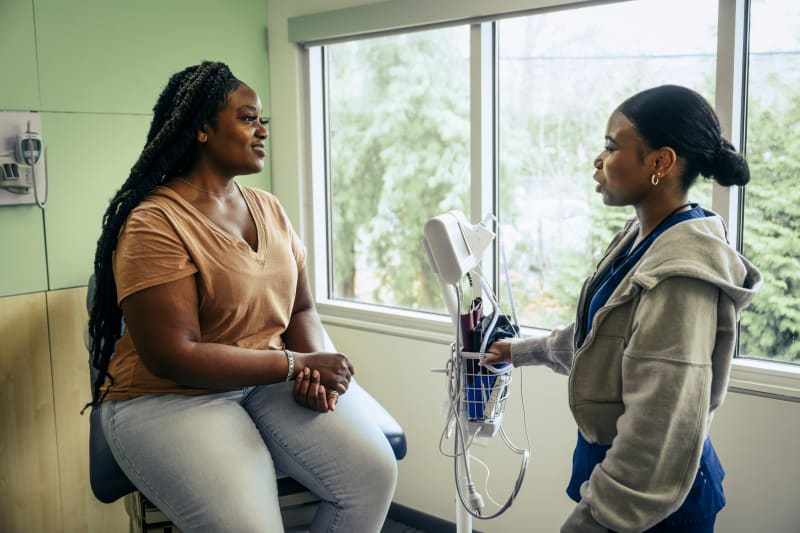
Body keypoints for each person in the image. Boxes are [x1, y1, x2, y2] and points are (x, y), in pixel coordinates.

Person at [87, 61, 397, 532]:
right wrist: (296, 364)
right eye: (248, 117)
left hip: (264, 379)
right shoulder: (154, 222)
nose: (262, 130)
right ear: (203, 130)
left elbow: (302, 308)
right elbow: (175, 356)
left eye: (262, 120)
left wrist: (314, 365)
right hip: (169, 398)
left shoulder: (268, 208)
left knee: (371, 475)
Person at [480, 85, 762, 533]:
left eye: (611, 146)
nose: (598, 160)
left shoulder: (681, 278)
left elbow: (657, 428)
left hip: (652, 501)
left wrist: (592, 521)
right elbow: (603, 337)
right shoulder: (646, 238)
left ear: (660, 162)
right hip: (620, 477)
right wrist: (520, 351)